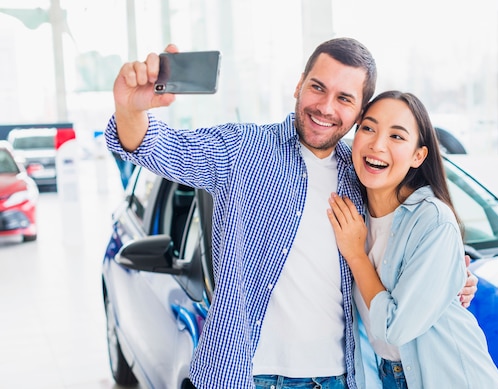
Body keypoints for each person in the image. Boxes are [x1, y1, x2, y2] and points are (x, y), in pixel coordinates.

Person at [106, 38, 478, 389]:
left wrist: (450, 280)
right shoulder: (242, 149)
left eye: (344, 98)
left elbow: (397, 251)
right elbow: (154, 147)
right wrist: (130, 108)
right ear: (299, 85)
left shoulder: (364, 173)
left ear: (359, 112)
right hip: (245, 375)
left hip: (340, 377)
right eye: (318, 87)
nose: (326, 107)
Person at [326, 90, 498, 388]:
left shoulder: (432, 219)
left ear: (418, 155)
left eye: (397, 137)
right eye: (368, 128)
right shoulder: (352, 212)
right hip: (385, 375)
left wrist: (356, 255)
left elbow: (395, 328)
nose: (377, 144)